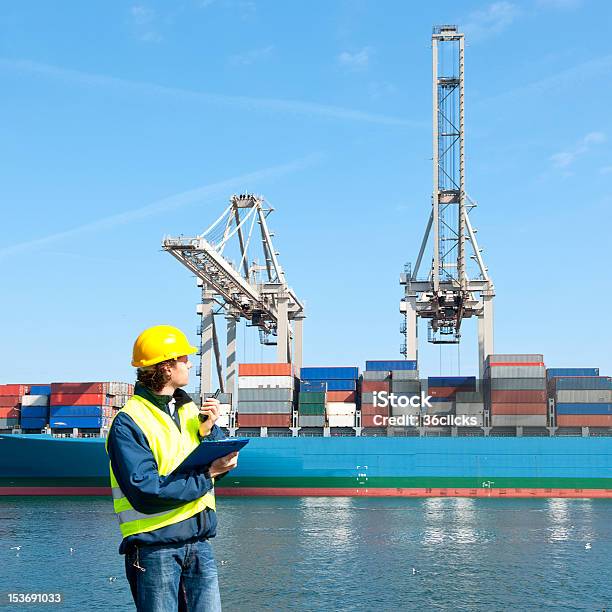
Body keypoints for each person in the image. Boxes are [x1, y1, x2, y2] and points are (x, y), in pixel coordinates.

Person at [106, 324, 238, 611]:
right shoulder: (129, 421)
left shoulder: (190, 410)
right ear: (167, 367)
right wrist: (210, 475)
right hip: (155, 548)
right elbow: (146, 491)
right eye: (184, 358)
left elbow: (212, 464)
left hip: (199, 543)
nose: (190, 363)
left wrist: (211, 433)